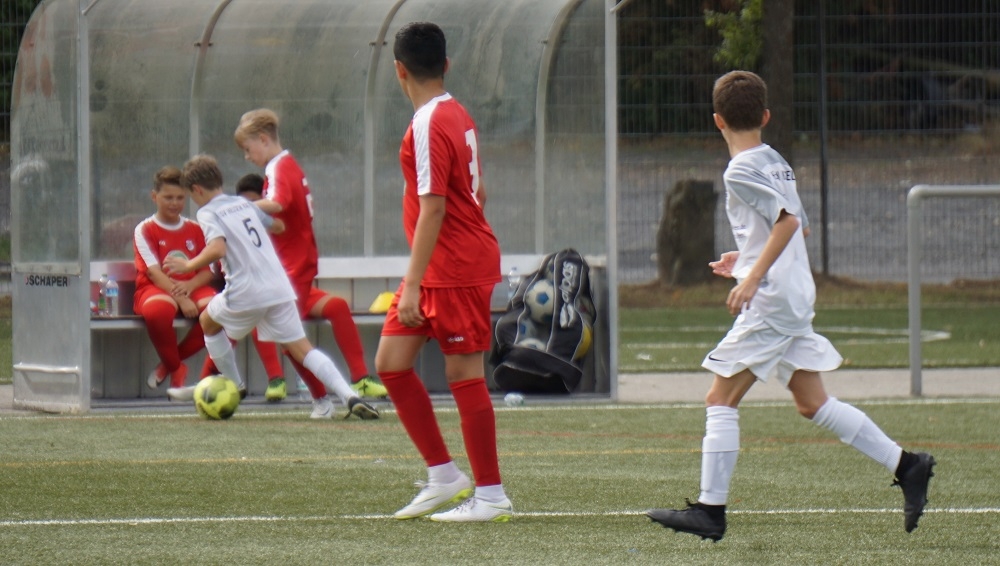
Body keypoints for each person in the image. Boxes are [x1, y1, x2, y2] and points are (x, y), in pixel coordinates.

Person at [646, 71, 935, 541]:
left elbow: (787, 223)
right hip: (793, 293)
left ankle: (710, 511)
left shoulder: (739, 169)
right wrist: (744, 258)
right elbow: (794, 226)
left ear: (717, 120)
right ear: (765, 116)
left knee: (720, 399)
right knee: (812, 403)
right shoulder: (774, 160)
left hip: (773, 300)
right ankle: (908, 465)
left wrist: (751, 278)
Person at [374, 21, 512, 523]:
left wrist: (413, 282)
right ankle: (444, 476)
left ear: (399, 70)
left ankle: (491, 496)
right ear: (446, 64)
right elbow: (479, 192)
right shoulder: (455, 112)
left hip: (452, 270)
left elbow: (434, 207)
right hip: (442, 266)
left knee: (463, 375)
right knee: (391, 363)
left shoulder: (429, 121)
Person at [162, 154, 379, 420]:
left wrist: (188, 265)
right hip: (278, 286)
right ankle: (349, 396)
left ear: (196, 190)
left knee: (208, 322)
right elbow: (277, 225)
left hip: (245, 289)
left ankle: (236, 386)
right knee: (303, 348)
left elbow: (217, 248)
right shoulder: (244, 204)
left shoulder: (207, 212)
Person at [233, 109, 389, 418]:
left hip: (293, 267)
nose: (247, 157)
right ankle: (331, 396)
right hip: (292, 266)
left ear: (263, 139)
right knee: (287, 338)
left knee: (290, 340)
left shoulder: (279, 168)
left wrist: (236, 209)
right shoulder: (285, 165)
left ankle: (327, 399)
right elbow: (282, 216)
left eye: (248, 149)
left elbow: (277, 203)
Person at [133, 166, 217, 391]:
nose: (174, 203)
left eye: (180, 197)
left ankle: (169, 364)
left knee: (218, 312)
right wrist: (180, 298)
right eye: (168, 197)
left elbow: (208, 270)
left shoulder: (196, 229)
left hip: (192, 286)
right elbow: (153, 272)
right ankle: (177, 368)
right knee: (157, 312)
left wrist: (189, 285)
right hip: (156, 287)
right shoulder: (145, 229)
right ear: (154, 196)